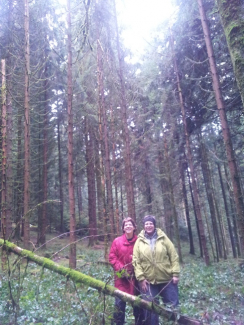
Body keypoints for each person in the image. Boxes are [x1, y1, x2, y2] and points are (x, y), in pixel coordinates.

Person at [133, 215, 180, 325]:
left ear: (154, 225)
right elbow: (136, 261)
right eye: (146, 224)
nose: (149, 226)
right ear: (144, 226)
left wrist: (175, 274)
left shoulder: (163, 238)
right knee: (150, 309)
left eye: (151, 223)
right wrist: (141, 278)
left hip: (167, 279)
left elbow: (173, 255)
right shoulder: (139, 241)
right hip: (148, 281)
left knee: (173, 306)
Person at [109, 217, 143, 325]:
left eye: (130, 224)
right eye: (125, 225)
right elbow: (112, 258)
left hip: (136, 277)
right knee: (119, 305)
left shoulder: (139, 241)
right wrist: (122, 270)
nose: (128, 226)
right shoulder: (117, 241)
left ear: (134, 227)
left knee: (138, 306)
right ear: (123, 228)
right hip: (120, 276)